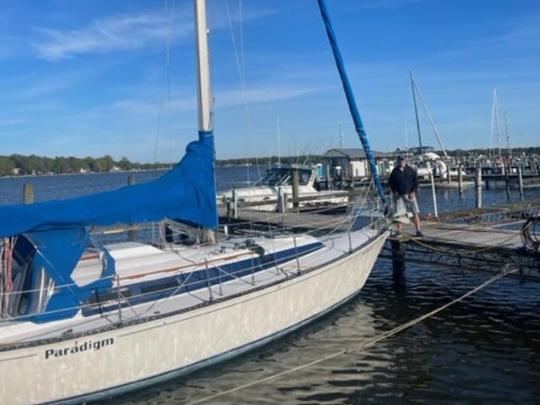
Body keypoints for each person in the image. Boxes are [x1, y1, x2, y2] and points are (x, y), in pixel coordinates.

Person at [388, 156, 423, 237]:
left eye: (403, 160)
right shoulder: (394, 171)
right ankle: (399, 231)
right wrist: (395, 192)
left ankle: (418, 231)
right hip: (399, 196)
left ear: (405, 161)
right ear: (397, 161)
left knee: (415, 212)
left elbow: (416, 182)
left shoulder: (410, 170)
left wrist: (413, 191)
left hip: (410, 195)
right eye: (400, 161)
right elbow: (390, 183)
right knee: (399, 214)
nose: (401, 162)